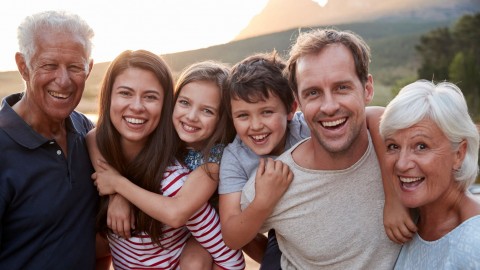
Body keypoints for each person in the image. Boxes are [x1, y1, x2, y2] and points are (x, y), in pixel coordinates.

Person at [220, 49, 409, 268]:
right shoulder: (234, 158)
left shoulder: (308, 126)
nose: (255, 125)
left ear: (292, 109)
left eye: (267, 112)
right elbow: (234, 235)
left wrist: (393, 199)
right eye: (243, 115)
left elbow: (374, 115)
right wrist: (264, 200)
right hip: (265, 221)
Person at [86, 54, 245, 269]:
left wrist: (118, 185)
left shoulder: (178, 182)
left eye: (150, 97)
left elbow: (228, 257)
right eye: (125, 93)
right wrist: (116, 194)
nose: (137, 106)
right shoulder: (97, 150)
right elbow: (94, 137)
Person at [0, 10, 97, 269]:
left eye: (75, 67)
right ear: (24, 67)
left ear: (88, 70)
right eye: (49, 65)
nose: (63, 81)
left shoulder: (84, 128)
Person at [379, 80, 480, 269]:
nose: (402, 164)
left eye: (421, 146)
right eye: (393, 146)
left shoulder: (474, 244)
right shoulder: (412, 218)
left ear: (459, 153)